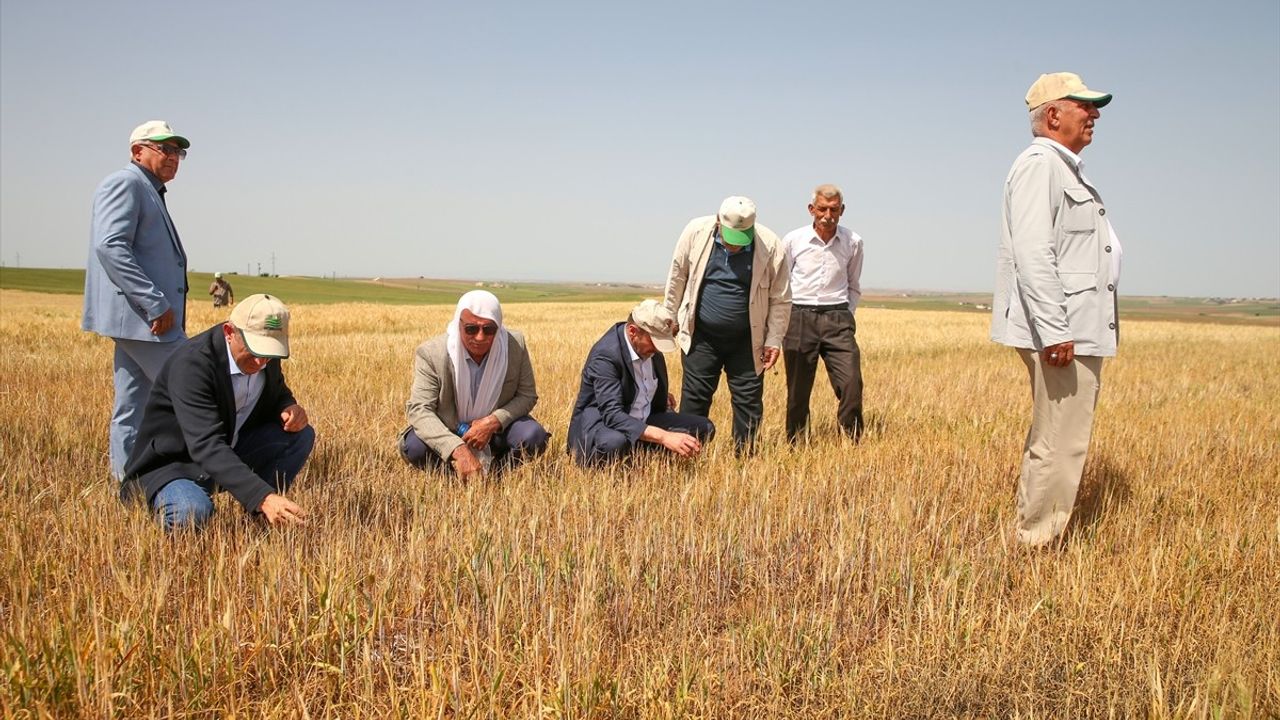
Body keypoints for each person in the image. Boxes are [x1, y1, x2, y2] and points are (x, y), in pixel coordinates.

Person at [991, 72, 1121, 547]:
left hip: (1073, 327)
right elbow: (1033, 253)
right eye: (1084, 106)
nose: (1095, 114)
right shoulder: (1040, 165)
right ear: (1053, 115)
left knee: (1058, 436)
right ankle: (1036, 543)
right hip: (1064, 331)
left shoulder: (1061, 167)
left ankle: (1036, 534)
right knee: (1061, 442)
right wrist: (1054, 330)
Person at [121, 294, 316, 531]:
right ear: (229, 332)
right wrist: (262, 496)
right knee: (191, 512)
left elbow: (277, 393)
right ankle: (259, 503)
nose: (260, 361)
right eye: (255, 349)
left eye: (269, 352)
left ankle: (261, 519)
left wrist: (288, 407)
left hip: (228, 451)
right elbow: (206, 445)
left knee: (300, 435)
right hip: (175, 466)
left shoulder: (264, 357)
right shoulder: (192, 366)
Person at [82, 120, 191, 479]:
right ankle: (198, 478)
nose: (173, 156)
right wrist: (155, 303)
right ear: (137, 151)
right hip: (144, 318)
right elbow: (110, 246)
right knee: (193, 391)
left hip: (137, 321)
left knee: (133, 404)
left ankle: (127, 482)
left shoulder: (148, 189)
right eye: (165, 148)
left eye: (178, 151)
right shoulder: (126, 183)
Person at [663, 196, 791, 453]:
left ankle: (744, 459)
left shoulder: (771, 245)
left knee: (749, 404)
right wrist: (669, 315)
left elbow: (781, 298)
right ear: (719, 222)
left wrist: (774, 339)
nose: (735, 246)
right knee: (694, 401)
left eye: (742, 238)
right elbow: (678, 276)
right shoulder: (695, 232)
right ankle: (689, 456)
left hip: (747, 340)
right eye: (732, 237)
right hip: (702, 337)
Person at [399, 291, 550, 478]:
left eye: (489, 329)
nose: (480, 337)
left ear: (499, 326)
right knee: (414, 447)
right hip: (450, 429)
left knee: (533, 435)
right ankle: (452, 482)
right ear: (458, 324)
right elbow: (419, 410)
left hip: (496, 432)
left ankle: (496, 477)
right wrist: (457, 448)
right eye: (471, 329)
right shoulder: (432, 354)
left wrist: (492, 422)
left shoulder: (513, 345)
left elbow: (527, 395)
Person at [568, 299, 715, 466]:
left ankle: (645, 458)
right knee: (614, 442)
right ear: (633, 331)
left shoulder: (649, 349)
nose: (658, 349)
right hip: (604, 425)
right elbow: (612, 415)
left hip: (642, 418)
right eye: (654, 341)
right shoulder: (606, 356)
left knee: (704, 427)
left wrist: (654, 394)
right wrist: (665, 437)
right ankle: (607, 464)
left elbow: (637, 384)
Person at [782, 184, 865, 442]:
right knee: (798, 390)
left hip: (837, 319)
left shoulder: (853, 242)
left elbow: (854, 285)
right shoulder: (793, 240)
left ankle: (852, 439)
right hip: (799, 317)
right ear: (811, 210)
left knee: (852, 383)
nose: (827, 215)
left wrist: (846, 315)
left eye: (834, 209)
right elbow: (782, 284)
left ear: (842, 210)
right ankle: (796, 443)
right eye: (822, 209)